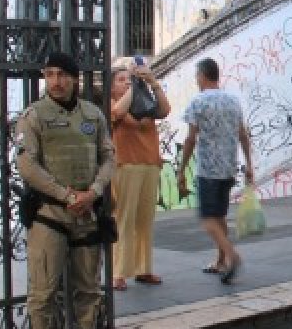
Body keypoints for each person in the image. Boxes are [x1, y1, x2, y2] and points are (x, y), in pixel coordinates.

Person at [16, 52, 117, 329]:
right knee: (43, 295)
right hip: (49, 215)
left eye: (61, 75)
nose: (55, 81)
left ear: (74, 78)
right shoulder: (34, 116)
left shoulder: (93, 114)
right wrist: (67, 196)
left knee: (89, 292)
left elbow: (109, 157)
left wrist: (93, 192)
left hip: (87, 215)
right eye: (49, 74)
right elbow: (27, 165)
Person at [177, 57, 254, 285]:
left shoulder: (198, 102)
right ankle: (220, 261)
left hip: (208, 168)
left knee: (208, 218)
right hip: (228, 166)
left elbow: (191, 139)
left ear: (201, 76)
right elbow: (243, 134)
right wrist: (249, 163)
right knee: (219, 215)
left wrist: (182, 169)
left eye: (196, 77)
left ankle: (231, 255)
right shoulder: (233, 100)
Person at [107, 56, 171, 291]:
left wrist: (152, 82)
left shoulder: (144, 102)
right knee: (123, 219)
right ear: (111, 86)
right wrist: (134, 85)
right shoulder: (112, 104)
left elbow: (164, 109)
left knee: (144, 220)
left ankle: (144, 269)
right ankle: (118, 272)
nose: (125, 83)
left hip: (149, 164)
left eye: (127, 79)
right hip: (125, 165)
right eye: (121, 80)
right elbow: (117, 112)